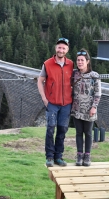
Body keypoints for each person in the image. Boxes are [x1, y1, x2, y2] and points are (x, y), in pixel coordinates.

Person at [37, 38, 74, 167]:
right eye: (59, 47)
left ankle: (59, 156)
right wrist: (44, 98)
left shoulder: (71, 64)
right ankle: (49, 157)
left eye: (64, 48)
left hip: (66, 104)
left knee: (62, 130)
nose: (61, 50)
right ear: (55, 48)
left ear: (67, 50)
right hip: (52, 103)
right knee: (50, 129)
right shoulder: (47, 64)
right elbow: (40, 80)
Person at [71, 48, 102, 167]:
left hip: (89, 110)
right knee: (79, 132)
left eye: (82, 60)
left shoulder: (94, 76)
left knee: (88, 133)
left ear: (87, 61)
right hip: (76, 109)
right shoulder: (74, 74)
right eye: (78, 60)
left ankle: (87, 155)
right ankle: (79, 155)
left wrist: (94, 107)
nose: (79, 62)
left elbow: (98, 93)